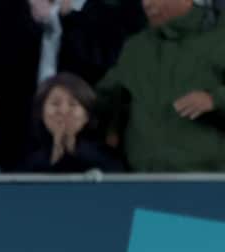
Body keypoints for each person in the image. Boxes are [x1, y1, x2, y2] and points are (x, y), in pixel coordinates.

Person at [93, 0, 225, 172]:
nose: (146, 4)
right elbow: (105, 97)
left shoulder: (219, 37)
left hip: (209, 181)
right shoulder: (136, 47)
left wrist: (214, 99)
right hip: (145, 180)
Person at [22, 72, 124, 172]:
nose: (63, 111)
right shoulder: (26, 160)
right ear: (41, 113)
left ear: (87, 116)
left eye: (72, 104)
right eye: (55, 103)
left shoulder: (106, 160)